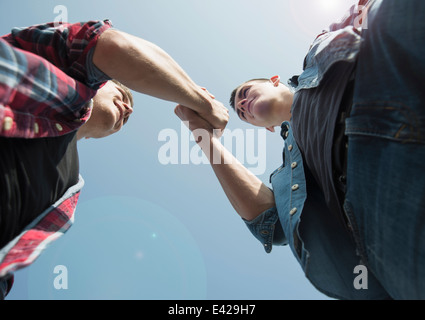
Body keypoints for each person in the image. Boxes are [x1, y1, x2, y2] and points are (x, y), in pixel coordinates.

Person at [175, 0, 425, 300]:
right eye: (242, 112)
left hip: (391, 77)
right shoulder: (289, 176)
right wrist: (202, 134)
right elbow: (270, 226)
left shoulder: (318, 52)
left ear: (274, 81)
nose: (242, 105)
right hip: (382, 204)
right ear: (266, 129)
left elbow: (364, 13)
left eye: (244, 94)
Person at [0, 20, 229, 299]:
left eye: (128, 116)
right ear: (101, 82)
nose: (126, 108)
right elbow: (112, 47)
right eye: (121, 94)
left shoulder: (68, 193)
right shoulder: (57, 69)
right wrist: (204, 104)